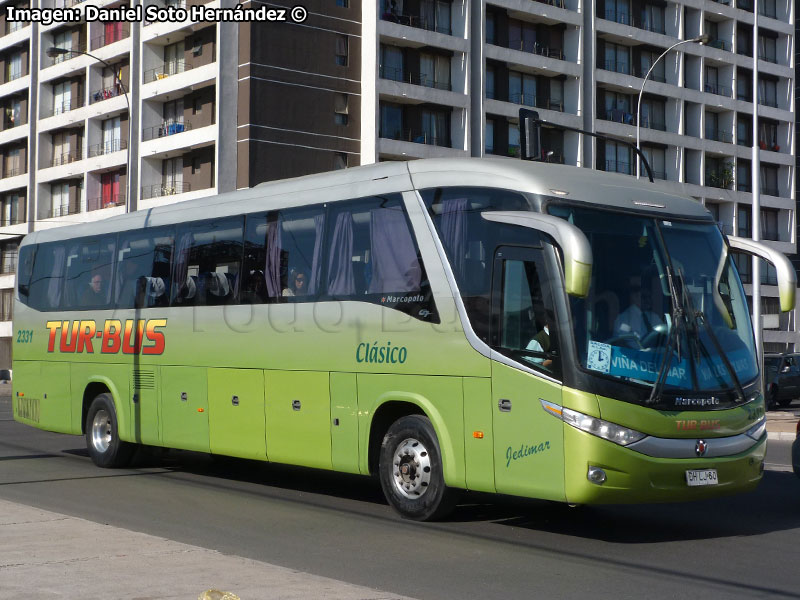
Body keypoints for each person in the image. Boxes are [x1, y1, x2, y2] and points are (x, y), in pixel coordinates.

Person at [613, 275, 663, 341]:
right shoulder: (623, 319)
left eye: (649, 297)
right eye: (644, 297)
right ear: (634, 296)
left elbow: (663, 337)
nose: (648, 300)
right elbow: (622, 343)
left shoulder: (654, 317)